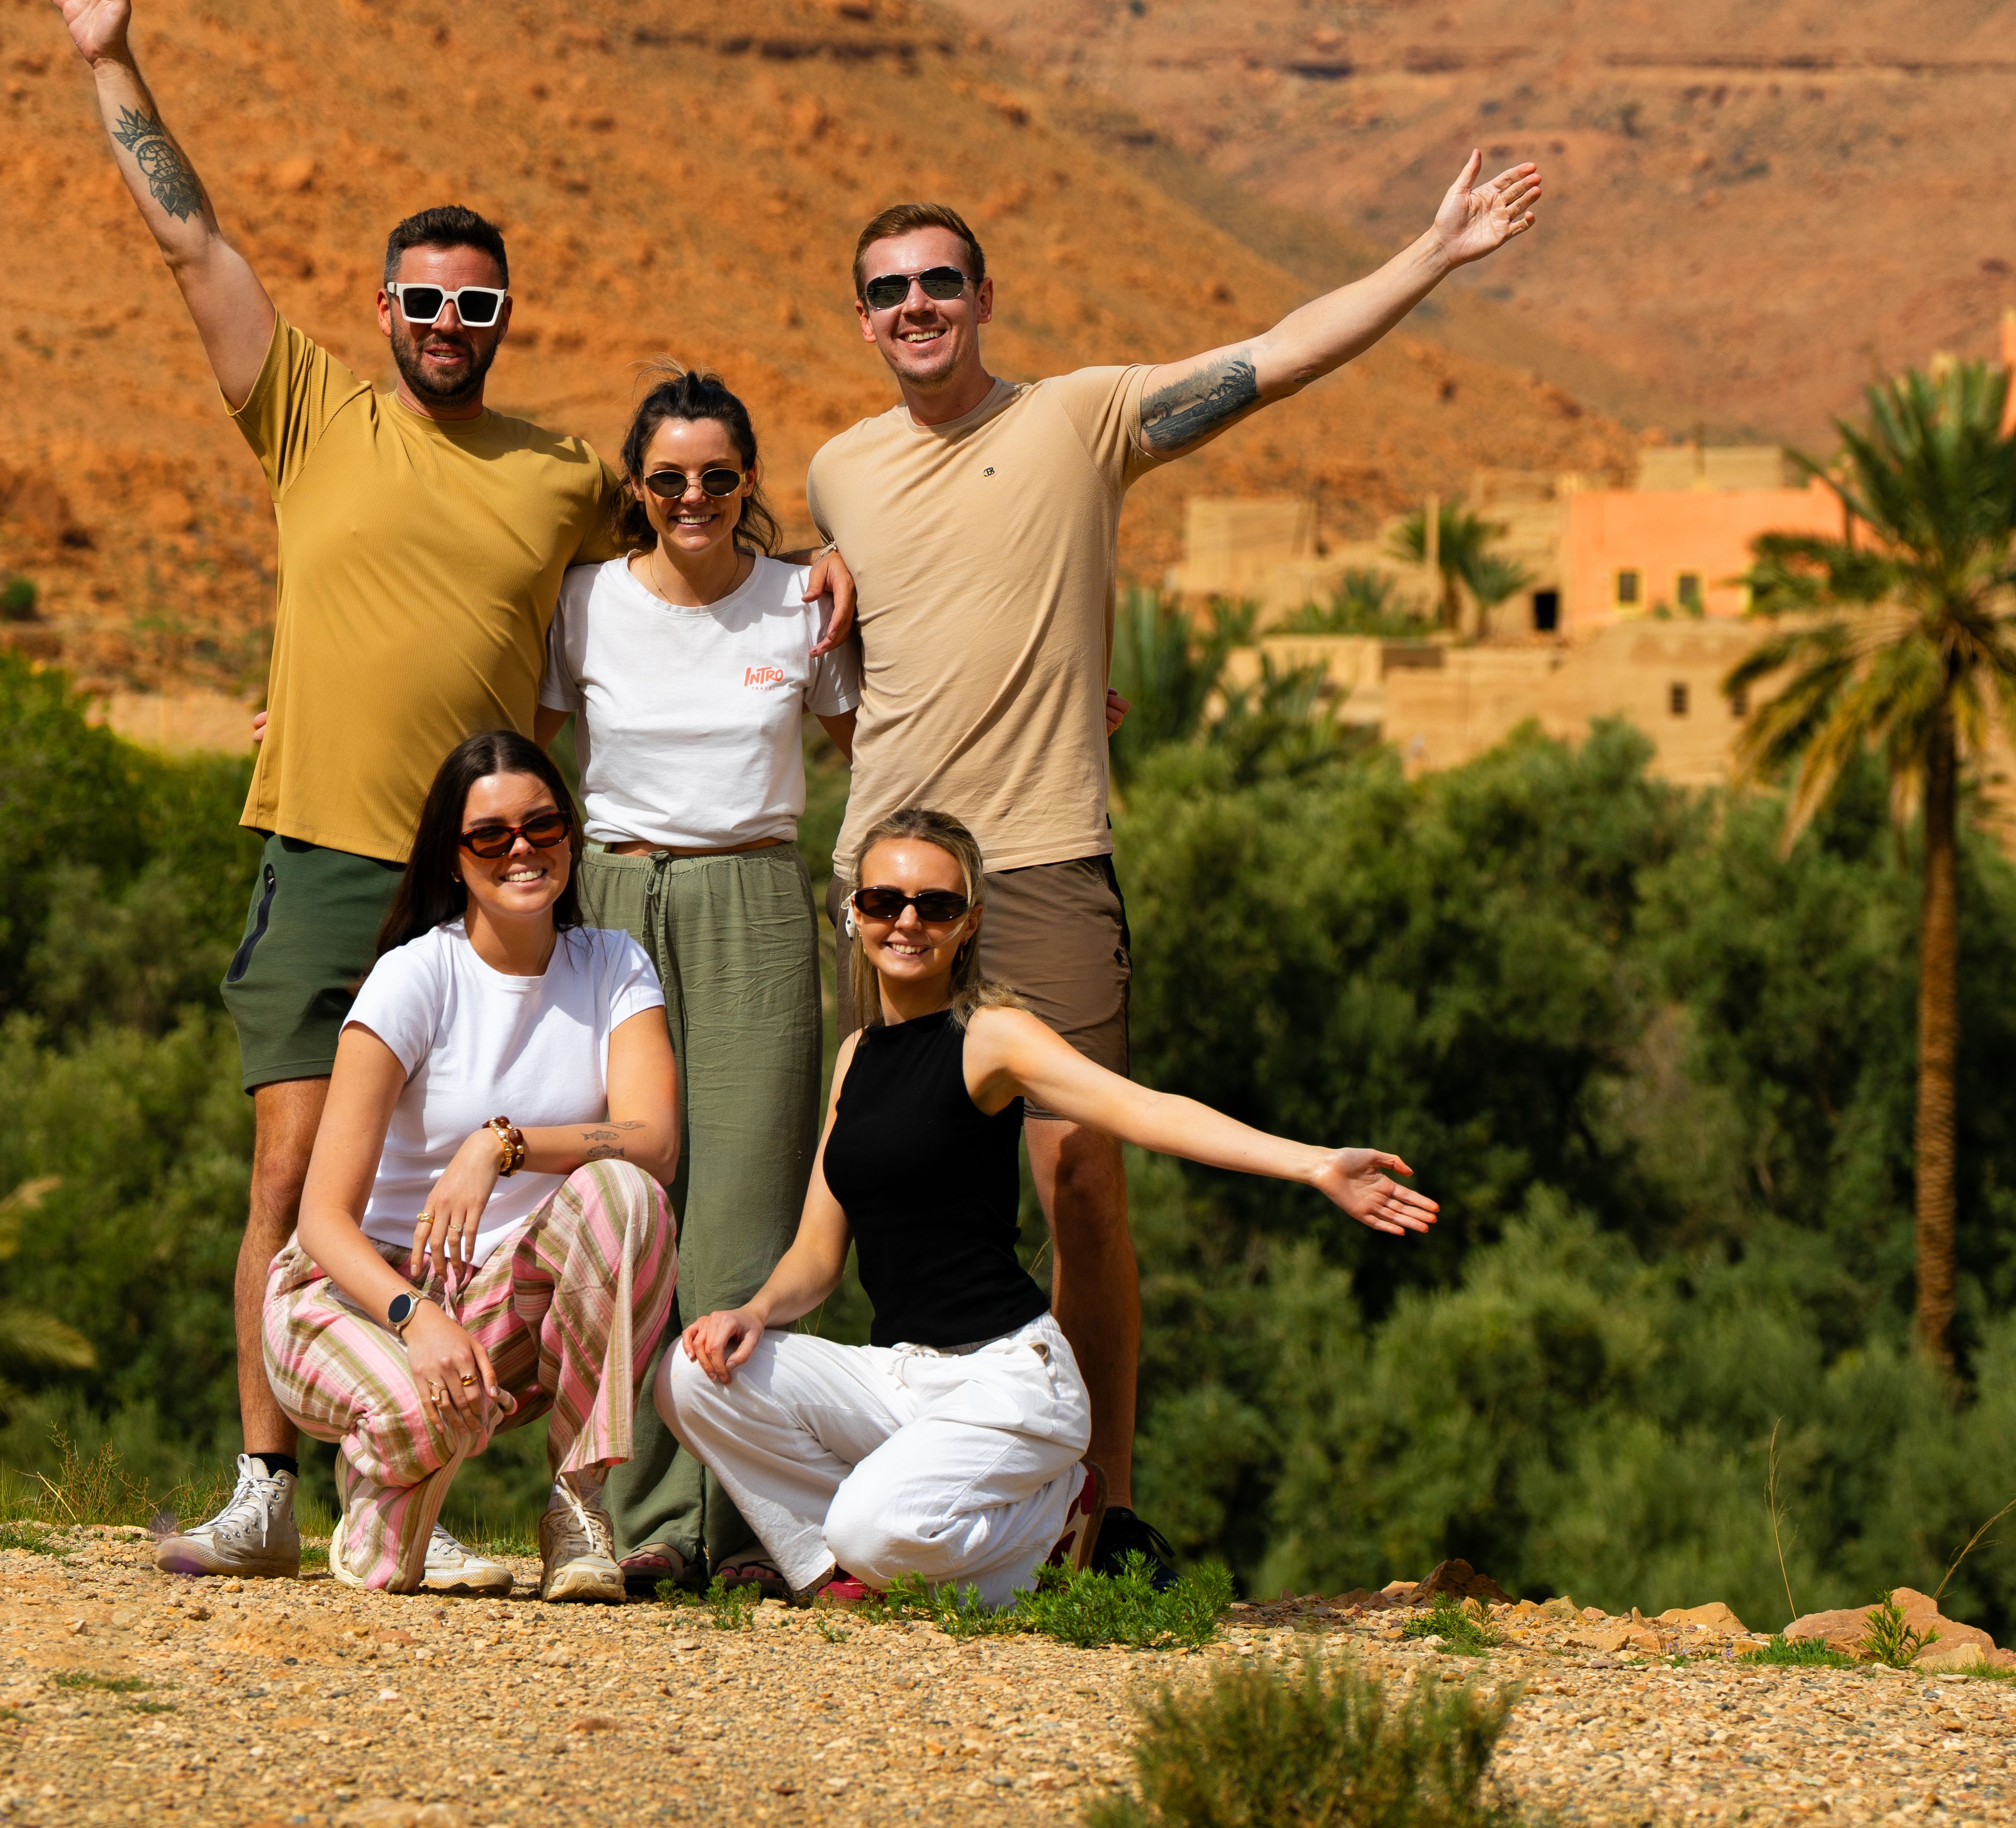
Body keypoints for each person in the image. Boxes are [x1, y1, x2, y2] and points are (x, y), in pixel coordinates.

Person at [23, 0, 851, 1587]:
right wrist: (112, 56)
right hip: (334, 843)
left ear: (500, 316)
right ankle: (270, 1479)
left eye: (477, 302)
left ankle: (534, 1501)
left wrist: (834, 563)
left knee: (523, 1181)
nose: (449, 320)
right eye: (424, 299)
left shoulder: (559, 471)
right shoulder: (309, 408)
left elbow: (696, 537)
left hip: (505, 871)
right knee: (294, 1158)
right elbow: (195, 250)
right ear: (384, 309)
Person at [802, 150, 1539, 1567]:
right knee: (907, 1188)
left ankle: (1102, 1500)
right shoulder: (840, 465)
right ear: (863, 317)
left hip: (1043, 859)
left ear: (983, 296)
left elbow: (1273, 358)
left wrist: (1432, 252)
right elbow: (839, 584)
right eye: (889, 290)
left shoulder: (1084, 416)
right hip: (889, 882)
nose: (917, 306)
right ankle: (951, 1500)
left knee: (1082, 1173)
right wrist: (807, 544)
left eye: (940, 281)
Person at [661, 808, 1433, 1608]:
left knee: (871, 1523)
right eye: (885, 900)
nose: (909, 921)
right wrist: (753, 1311)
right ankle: (839, 1576)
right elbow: (818, 1253)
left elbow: (1142, 1110)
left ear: (971, 923)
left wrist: (1314, 1165)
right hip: (898, 1374)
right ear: (854, 914)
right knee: (692, 1376)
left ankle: (1056, 1520)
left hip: (1007, 1377)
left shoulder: (992, 1036)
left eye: (938, 905)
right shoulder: (856, 1055)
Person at [537, 371, 860, 1596]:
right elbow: (507, 725)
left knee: (746, 1212)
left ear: (746, 486)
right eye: (668, 478)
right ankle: (652, 1517)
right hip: (616, 909)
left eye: (719, 478)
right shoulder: (585, 603)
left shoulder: (799, 604)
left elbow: (876, 740)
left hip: (756, 904)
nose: (694, 498)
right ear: (637, 487)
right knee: (633, 1203)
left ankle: (756, 1526)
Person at [273, 731, 681, 1600]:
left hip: (497, 1307)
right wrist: (416, 1317)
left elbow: (653, 1139)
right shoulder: (414, 977)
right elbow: (321, 1218)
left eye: (542, 825)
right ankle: (397, 1492)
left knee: (626, 1194)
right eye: (490, 835)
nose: (522, 849)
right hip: (354, 1295)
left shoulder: (615, 966)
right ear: (453, 861)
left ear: (571, 836)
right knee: (409, 1477)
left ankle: (577, 1507)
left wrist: (502, 1144)